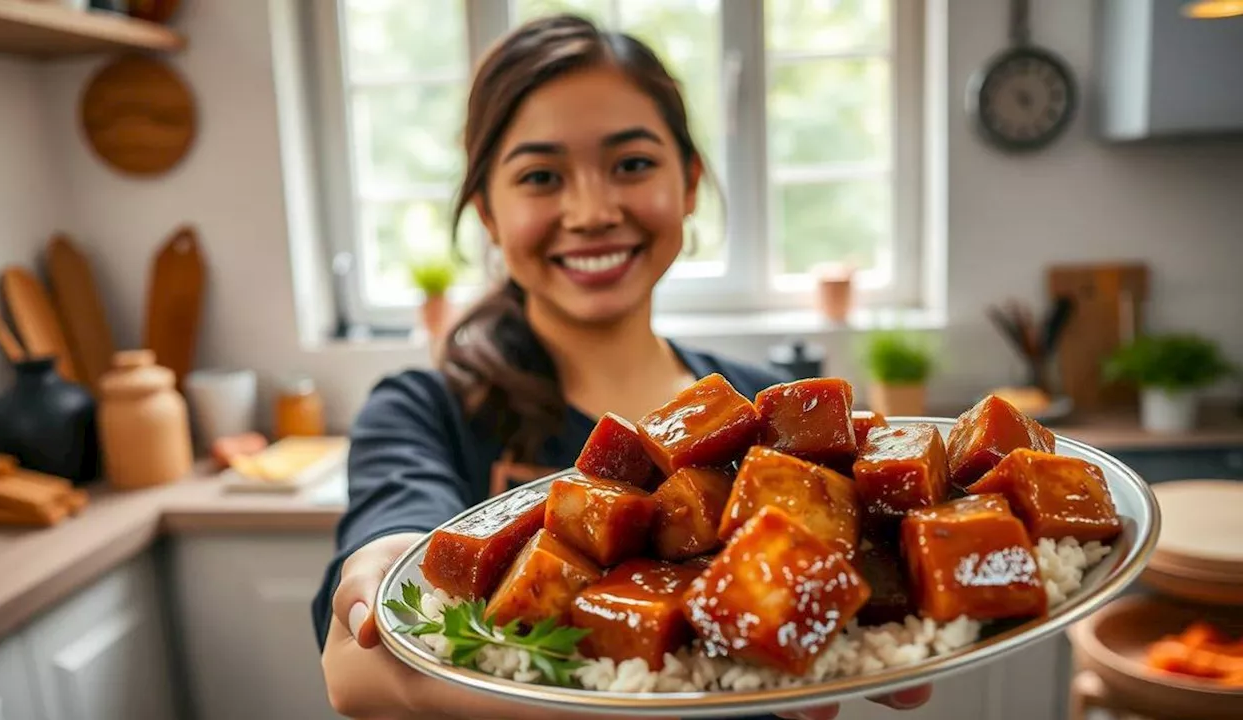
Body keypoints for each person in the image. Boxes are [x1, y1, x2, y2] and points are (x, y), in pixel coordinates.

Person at [312, 13, 932, 720]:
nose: (592, 210)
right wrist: (383, 574)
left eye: (631, 164)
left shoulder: (768, 414)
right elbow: (356, 668)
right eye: (541, 176)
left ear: (690, 182)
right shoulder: (422, 410)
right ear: (487, 212)